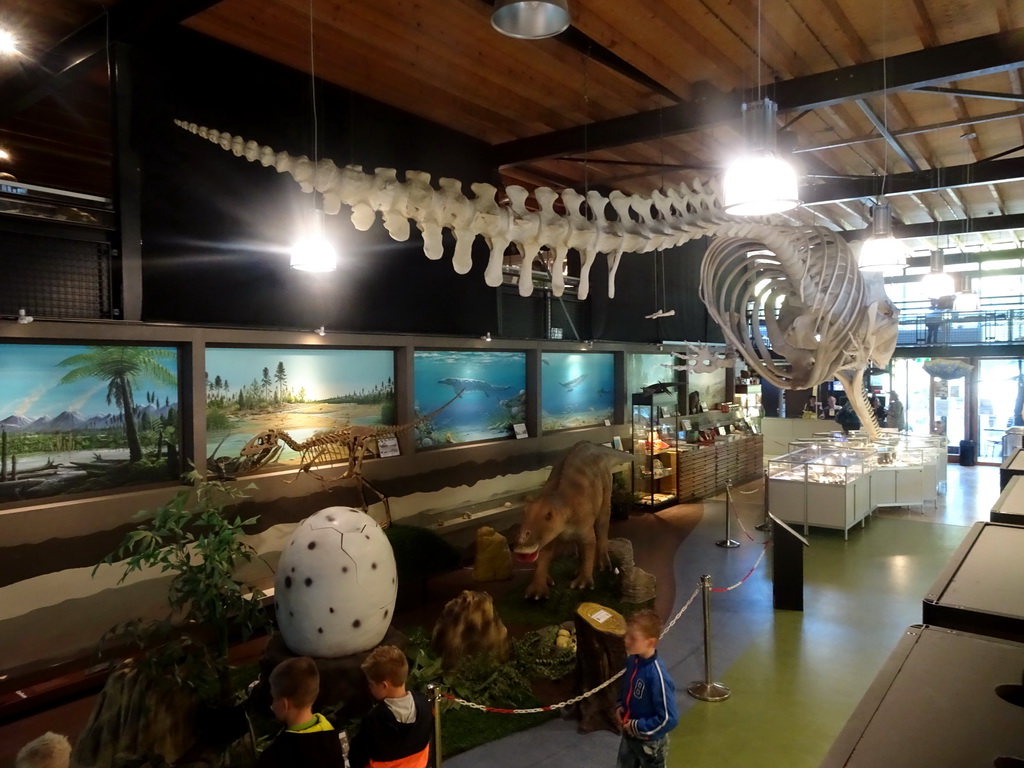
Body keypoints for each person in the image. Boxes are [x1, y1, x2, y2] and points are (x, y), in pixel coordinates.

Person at [349, 645, 433, 768]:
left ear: (384, 686)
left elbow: (357, 757)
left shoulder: (374, 720)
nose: (369, 687)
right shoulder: (425, 705)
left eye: (371, 684)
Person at [615, 609, 678, 768]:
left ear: (650, 642)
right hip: (630, 734)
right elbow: (625, 688)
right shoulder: (632, 661)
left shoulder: (657, 676)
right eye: (626, 636)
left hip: (649, 743)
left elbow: (668, 719)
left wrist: (638, 726)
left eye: (633, 638)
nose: (626, 641)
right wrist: (619, 705)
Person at [258, 657, 346, 768]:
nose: (272, 704)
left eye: (274, 698)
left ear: (285, 704)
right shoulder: (329, 732)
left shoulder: (277, 754)